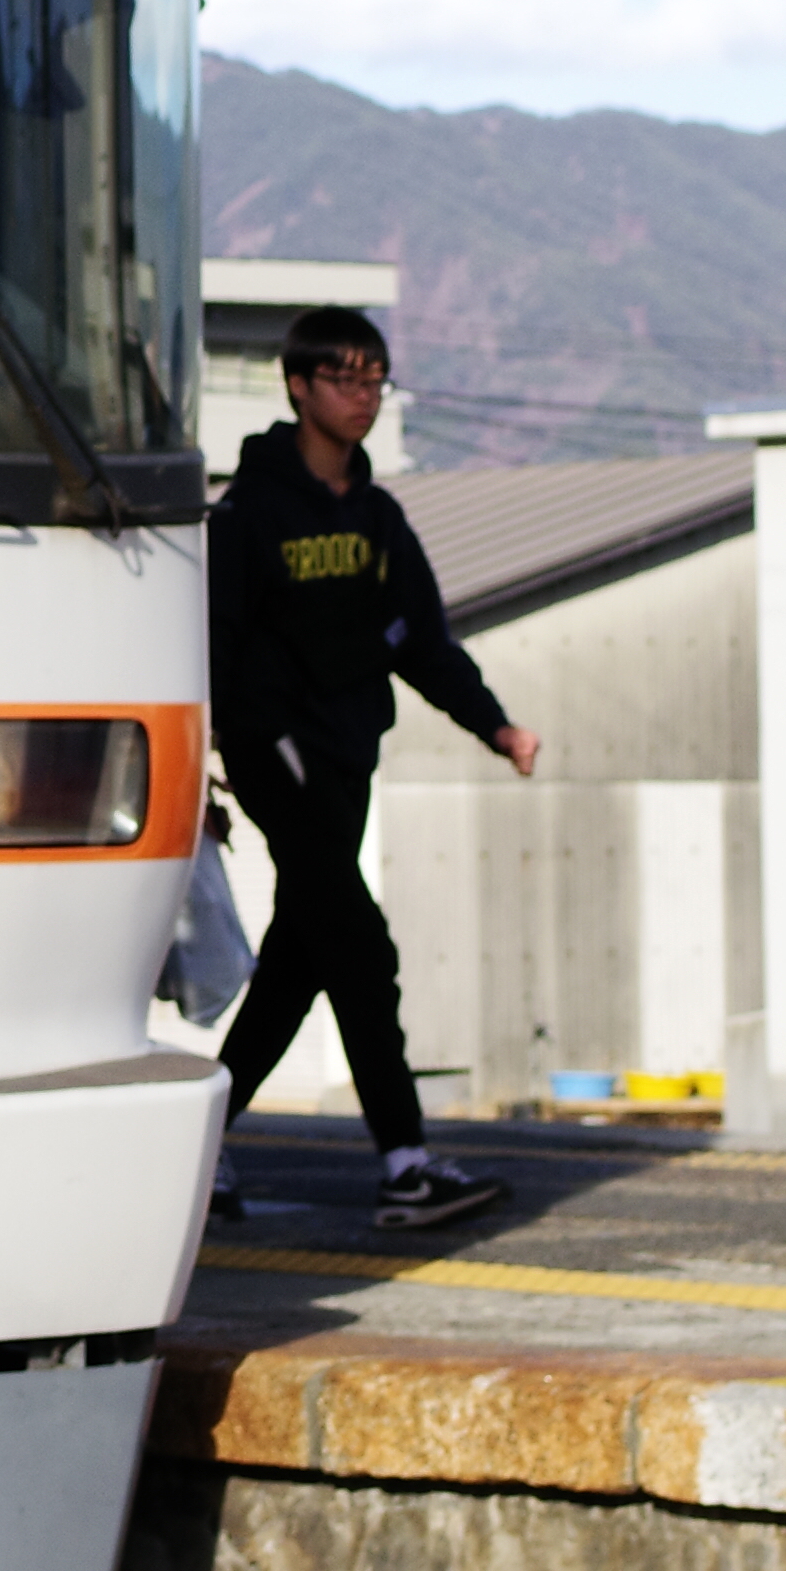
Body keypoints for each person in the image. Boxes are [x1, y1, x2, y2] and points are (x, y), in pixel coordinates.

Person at [204, 303, 539, 1234]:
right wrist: (209, 757)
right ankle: (405, 1165)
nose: (363, 395)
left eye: (375, 377)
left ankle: (198, 1144)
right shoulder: (247, 515)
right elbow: (212, 648)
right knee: (360, 948)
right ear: (298, 386)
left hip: (348, 755)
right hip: (275, 756)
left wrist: (496, 726)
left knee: (300, 958)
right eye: (344, 377)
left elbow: (422, 642)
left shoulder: (378, 518)